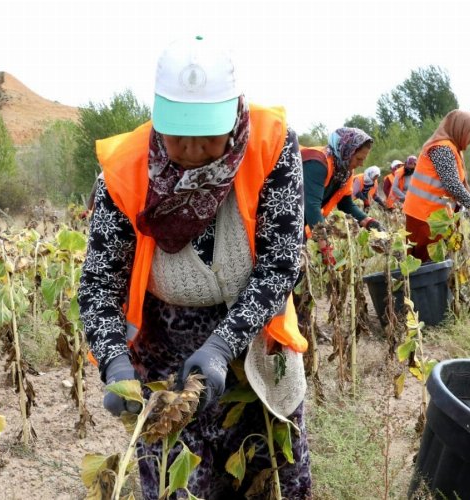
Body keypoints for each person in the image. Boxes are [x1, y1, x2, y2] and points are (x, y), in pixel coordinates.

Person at [78, 36, 311, 499]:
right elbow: (99, 283)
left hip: (254, 340)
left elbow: (282, 261)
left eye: (207, 135)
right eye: (177, 133)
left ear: (233, 116)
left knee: (269, 472)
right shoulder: (126, 171)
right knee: (177, 482)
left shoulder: (270, 144)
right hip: (165, 353)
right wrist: (115, 362)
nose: (191, 149)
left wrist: (224, 344)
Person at [403, 110, 470, 262]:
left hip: (436, 216)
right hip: (424, 216)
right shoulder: (442, 148)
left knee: (437, 262)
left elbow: (462, 184)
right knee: (424, 263)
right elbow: (452, 184)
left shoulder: (454, 149)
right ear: (461, 129)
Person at [302, 127, 384, 237]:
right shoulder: (317, 163)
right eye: (359, 159)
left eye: (363, 159)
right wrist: (324, 244)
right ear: (346, 152)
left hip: (300, 220)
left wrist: (369, 222)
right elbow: (312, 206)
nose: (361, 164)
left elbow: (346, 204)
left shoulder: (345, 172)